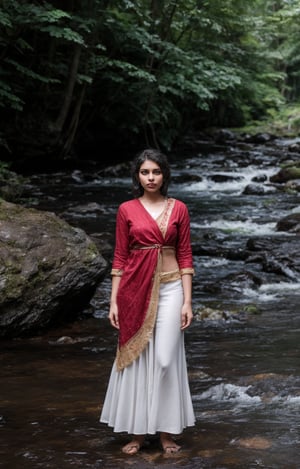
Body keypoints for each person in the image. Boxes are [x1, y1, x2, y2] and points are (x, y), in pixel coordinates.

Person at [100, 148, 195, 455]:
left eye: (156, 172)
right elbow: (119, 257)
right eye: (145, 172)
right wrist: (113, 301)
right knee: (139, 360)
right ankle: (139, 433)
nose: (150, 178)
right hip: (134, 289)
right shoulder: (126, 209)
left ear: (164, 175)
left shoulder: (178, 208)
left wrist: (187, 301)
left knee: (166, 359)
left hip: (171, 290)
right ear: (137, 176)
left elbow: (185, 255)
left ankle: (167, 432)